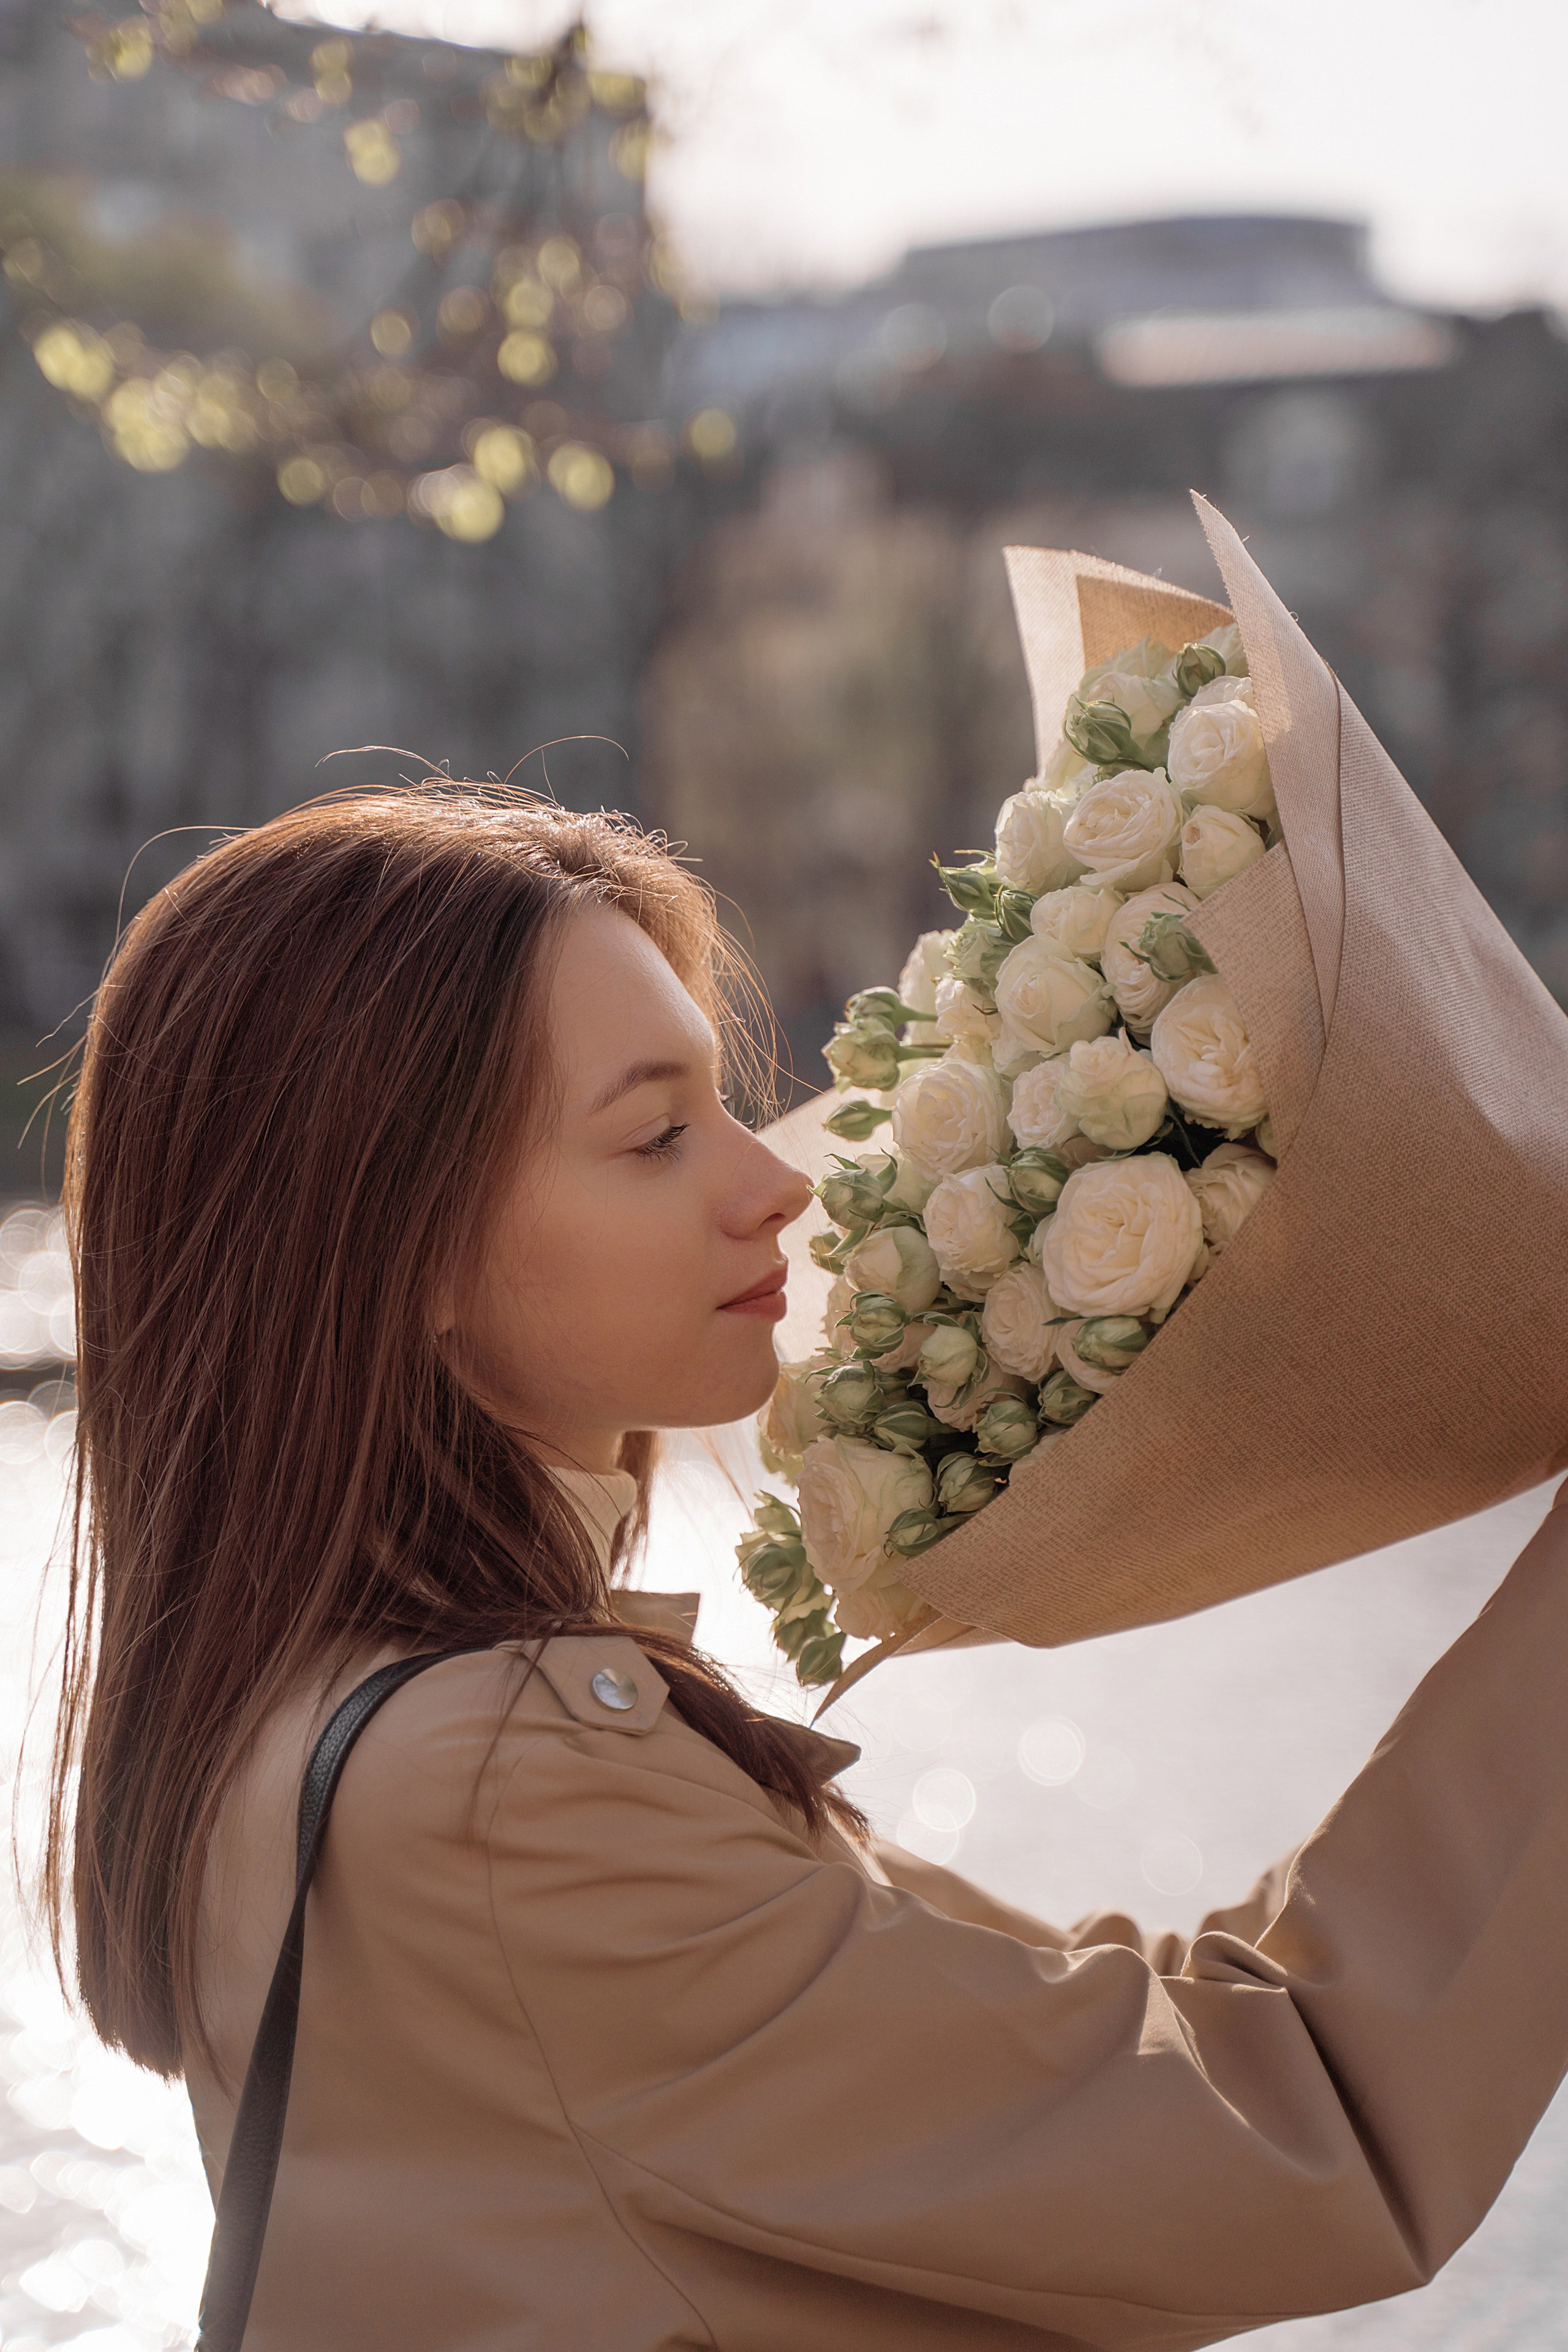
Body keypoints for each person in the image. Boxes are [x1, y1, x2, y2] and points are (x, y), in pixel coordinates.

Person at [45, 785, 1568, 2350]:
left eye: (713, 1104)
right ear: (400, 1245)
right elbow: (1294, 2126)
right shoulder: (500, 1794)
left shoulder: (319, 1704)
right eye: (651, 1137)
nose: (771, 1180)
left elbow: (1119, 2055)